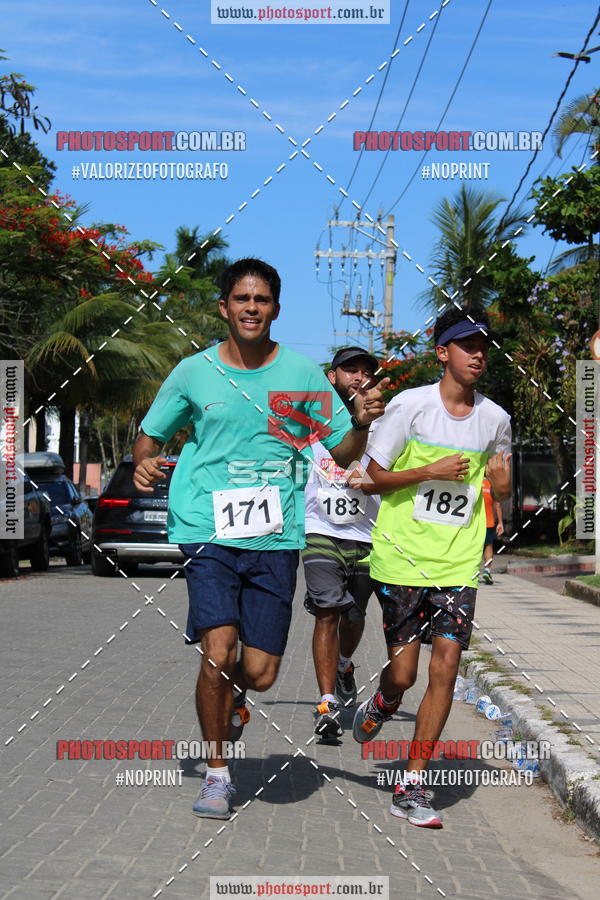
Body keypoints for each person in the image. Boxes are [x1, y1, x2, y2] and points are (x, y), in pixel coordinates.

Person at [132, 258, 389, 820]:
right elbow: (149, 439)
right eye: (242, 299)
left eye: (263, 300)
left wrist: (362, 422)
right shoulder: (193, 373)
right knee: (218, 650)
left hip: (274, 537)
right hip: (207, 528)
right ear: (224, 308)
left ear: (276, 308)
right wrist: (145, 465)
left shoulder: (299, 376)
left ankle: (235, 698)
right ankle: (218, 774)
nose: (252, 308)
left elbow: (342, 453)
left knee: (262, 672)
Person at [351, 306, 512, 828]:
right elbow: (372, 477)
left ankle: (414, 782)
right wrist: (430, 470)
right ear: (443, 353)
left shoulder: (496, 418)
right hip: (402, 559)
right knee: (405, 672)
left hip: (458, 565)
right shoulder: (410, 407)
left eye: (484, 344)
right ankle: (385, 697)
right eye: (467, 344)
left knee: (446, 667)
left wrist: (503, 481)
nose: (478, 354)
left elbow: (502, 488)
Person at [302, 347, 381, 741]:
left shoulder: (385, 421)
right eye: (351, 369)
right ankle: (327, 701)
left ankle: (345, 664)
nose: (360, 376)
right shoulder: (310, 421)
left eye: (367, 370)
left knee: (354, 616)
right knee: (326, 613)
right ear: (332, 377)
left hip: (367, 534)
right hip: (320, 529)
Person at [481, 476, 504, 584]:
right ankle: (487, 570)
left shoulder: (473, 482)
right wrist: (500, 522)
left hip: (472, 523)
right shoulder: (491, 485)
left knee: (473, 547)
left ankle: (471, 572)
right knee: (488, 545)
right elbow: (497, 505)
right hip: (488, 522)